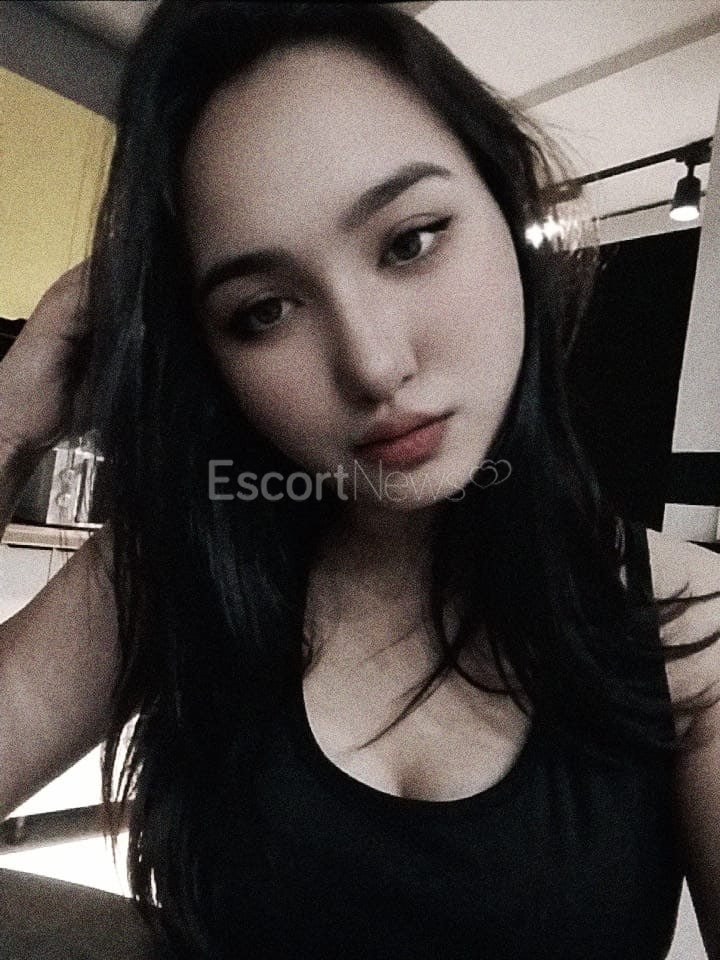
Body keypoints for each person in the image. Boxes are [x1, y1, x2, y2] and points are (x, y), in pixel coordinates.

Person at [1, 3, 719, 958]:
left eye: (410, 241)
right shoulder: (168, 574)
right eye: (264, 310)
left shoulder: (687, 621)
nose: (374, 365)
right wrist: (9, 420)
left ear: (507, 209)